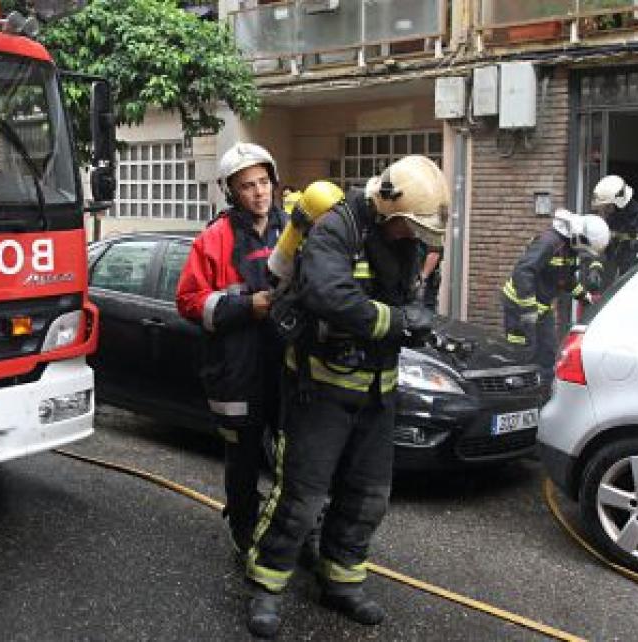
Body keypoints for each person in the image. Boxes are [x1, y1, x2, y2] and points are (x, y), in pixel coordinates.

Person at [243, 156, 445, 638]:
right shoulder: (338, 228)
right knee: (302, 498)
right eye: (408, 225)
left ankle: (342, 581)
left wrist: (419, 321)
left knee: (368, 497)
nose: (413, 235)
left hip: (379, 391)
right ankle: (267, 586)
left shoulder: (407, 240)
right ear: (386, 204)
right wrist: (397, 323)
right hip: (321, 387)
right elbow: (327, 295)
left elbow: (411, 296)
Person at [176, 142, 285, 556]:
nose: (259, 193)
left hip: (284, 366)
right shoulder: (214, 239)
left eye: (263, 182)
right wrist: (244, 306)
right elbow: (188, 301)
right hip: (235, 371)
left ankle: (292, 533)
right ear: (231, 192)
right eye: (247, 186)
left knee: (292, 458)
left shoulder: (291, 232)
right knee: (242, 460)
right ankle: (244, 529)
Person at [501, 209, 609, 384]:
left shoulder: (570, 250)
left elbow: (564, 279)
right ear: (580, 237)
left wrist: (585, 297)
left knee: (548, 354)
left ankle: (543, 394)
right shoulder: (549, 243)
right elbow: (523, 271)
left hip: (542, 308)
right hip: (519, 307)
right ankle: (517, 398)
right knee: (522, 354)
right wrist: (528, 309)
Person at [589, 175, 638, 289]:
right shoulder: (612, 220)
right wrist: (595, 269)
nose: (605, 211)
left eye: (607, 206)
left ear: (619, 203)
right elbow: (602, 248)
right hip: (617, 282)